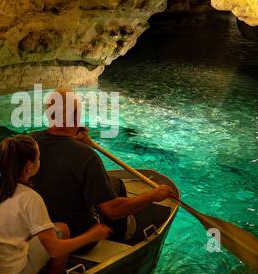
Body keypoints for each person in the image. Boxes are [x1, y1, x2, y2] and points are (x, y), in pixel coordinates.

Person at [31, 87, 177, 245]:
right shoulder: (86, 156)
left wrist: (73, 140)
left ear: (49, 114)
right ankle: (121, 238)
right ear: (75, 116)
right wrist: (153, 195)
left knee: (114, 182)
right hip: (78, 236)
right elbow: (111, 210)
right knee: (116, 189)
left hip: (37, 228)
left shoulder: (29, 142)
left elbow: (58, 150)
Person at [0, 135, 112, 274]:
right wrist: (91, 235)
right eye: (39, 158)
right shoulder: (30, 198)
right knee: (62, 229)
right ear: (29, 166)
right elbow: (54, 250)